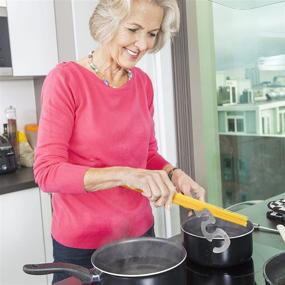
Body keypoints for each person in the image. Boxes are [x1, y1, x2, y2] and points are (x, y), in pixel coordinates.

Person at [34, 0, 206, 283]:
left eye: (151, 33)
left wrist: (175, 175)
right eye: (133, 29)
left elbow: (148, 155)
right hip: (81, 248)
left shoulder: (143, 84)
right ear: (108, 24)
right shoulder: (65, 80)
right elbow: (47, 173)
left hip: (141, 237)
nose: (142, 44)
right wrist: (126, 175)